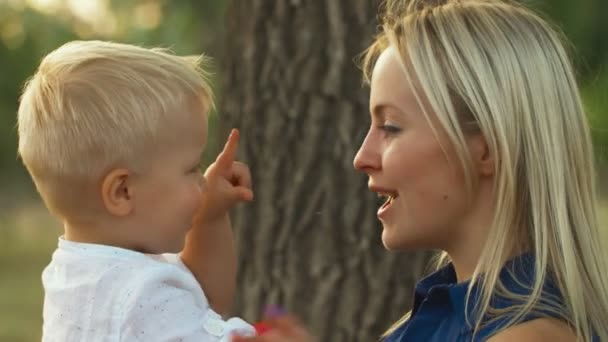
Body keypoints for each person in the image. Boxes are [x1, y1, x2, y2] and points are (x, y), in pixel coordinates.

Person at [233, 0, 608, 341]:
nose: (362, 157)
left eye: (391, 127)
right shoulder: (442, 316)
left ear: (489, 148)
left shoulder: (529, 335)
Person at [17, 40, 256, 341]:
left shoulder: (80, 273)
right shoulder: (142, 296)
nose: (202, 182)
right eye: (191, 169)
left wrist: (210, 216)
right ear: (123, 192)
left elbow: (203, 299)